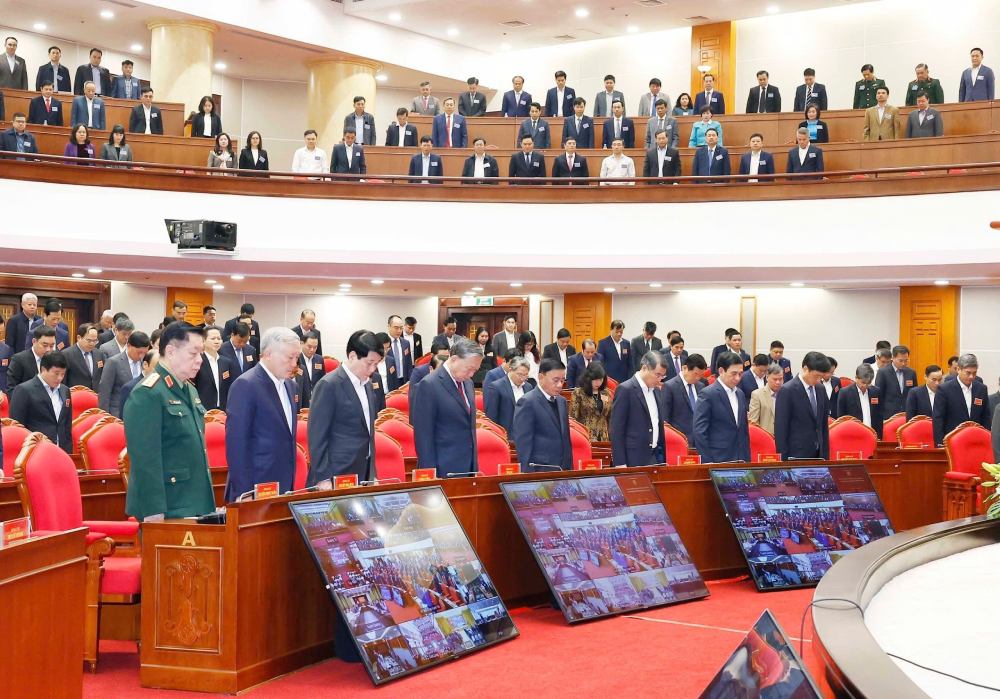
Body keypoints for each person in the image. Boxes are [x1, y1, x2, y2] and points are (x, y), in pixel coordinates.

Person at [123, 323, 216, 522]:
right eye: (194, 353)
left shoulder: (189, 389)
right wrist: (153, 511)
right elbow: (145, 460)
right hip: (168, 507)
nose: (200, 360)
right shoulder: (148, 393)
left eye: (201, 353)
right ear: (171, 351)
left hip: (194, 501)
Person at [224, 328, 300, 501]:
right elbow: (237, 445)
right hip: (254, 489)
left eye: (297, 358)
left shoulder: (291, 386)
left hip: (284, 485)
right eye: (290, 357)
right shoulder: (246, 385)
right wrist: (245, 493)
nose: (295, 364)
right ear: (268, 353)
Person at [307, 330, 383, 486]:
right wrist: (323, 478)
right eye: (369, 363)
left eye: (376, 364)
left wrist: (372, 473)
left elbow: (368, 432)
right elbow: (317, 436)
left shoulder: (368, 385)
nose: (373, 369)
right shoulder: (329, 385)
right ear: (353, 356)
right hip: (336, 474)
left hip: (364, 471)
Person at [411, 337, 484, 477]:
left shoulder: (467, 383)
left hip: (469, 466)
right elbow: (423, 436)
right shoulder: (429, 385)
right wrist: (429, 474)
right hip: (442, 468)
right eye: (469, 369)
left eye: (475, 370)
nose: (471, 374)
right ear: (455, 359)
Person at [512, 358, 573, 471]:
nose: (560, 385)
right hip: (541, 469)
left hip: (563, 470)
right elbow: (523, 445)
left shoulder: (561, 401)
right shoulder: (527, 402)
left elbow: (566, 439)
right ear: (541, 377)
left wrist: (569, 469)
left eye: (563, 380)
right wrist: (529, 476)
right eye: (555, 380)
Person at [610, 352, 668, 467]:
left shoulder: (656, 391)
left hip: (655, 457)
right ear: (645, 368)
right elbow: (616, 430)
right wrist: (620, 463)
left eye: (663, 376)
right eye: (657, 375)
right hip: (633, 459)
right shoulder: (625, 389)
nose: (660, 380)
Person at [694, 352, 750, 463]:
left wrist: (747, 458)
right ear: (721, 371)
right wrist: (707, 462)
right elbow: (700, 431)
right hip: (718, 458)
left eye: (740, 374)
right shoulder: (708, 394)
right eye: (733, 374)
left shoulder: (740, 394)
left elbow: (743, 430)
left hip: (740, 458)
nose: (738, 378)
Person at [10, 352, 72, 453]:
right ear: (43, 369)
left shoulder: (65, 390)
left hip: (62, 450)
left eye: (63, 374)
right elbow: (17, 427)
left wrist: (68, 453)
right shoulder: (24, 390)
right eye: (56, 373)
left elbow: (67, 425)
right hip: (35, 450)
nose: (60, 378)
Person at [775, 351, 831, 460]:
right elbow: (781, 429)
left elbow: (823, 425)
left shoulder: (820, 389)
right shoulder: (787, 390)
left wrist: (825, 455)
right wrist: (783, 460)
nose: (818, 380)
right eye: (816, 376)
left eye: (821, 377)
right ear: (805, 369)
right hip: (796, 455)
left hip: (819, 455)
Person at [933, 354, 991, 445]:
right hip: (952, 440)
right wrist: (940, 443)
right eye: (968, 373)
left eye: (974, 373)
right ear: (958, 370)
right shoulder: (944, 389)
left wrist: (987, 439)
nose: (972, 376)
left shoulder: (981, 389)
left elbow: (986, 417)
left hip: (976, 440)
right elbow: (938, 418)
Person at [98, 331, 151, 416]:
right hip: (118, 413)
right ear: (129, 346)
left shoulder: (145, 363)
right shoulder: (114, 362)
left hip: (140, 412)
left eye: (145, 353)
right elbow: (105, 392)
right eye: (139, 352)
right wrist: (104, 417)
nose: (142, 356)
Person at [661, 353, 707, 445]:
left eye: (700, 376)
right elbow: (665, 419)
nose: (698, 378)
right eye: (695, 374)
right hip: (679, 440)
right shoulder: (670, 386)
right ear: (685, 368)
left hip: (699, 441)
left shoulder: (701, 386)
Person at [484, 355, 531, 432]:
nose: (522, 378)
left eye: (525, 375)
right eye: (519, 374)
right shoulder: (496, 387)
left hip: (525, 432)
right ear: (510, 370)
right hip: (506, 434)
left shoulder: (528, 387)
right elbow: (491, 417)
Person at [6, 326, 57, 397]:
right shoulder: (19, 360)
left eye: (51, 346)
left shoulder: (55, 360)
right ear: (34, 341)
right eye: (45, 345)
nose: (48, 349)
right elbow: (11, 389)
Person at [193, 325, 234, 411]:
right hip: (202, 409)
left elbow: (229, 387)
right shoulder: (197, 361)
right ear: (203, 341)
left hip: (223, 409)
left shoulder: (226, 362)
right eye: (213, 339)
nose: (217, 341)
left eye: (219, 339)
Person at [569, 362, 612, 441]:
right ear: (588, 378)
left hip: (604, 438)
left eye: (600, 379)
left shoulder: (606, 393)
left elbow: (610, 417)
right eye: (595, 380)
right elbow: (573, 418)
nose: (598, 383)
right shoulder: (579, 393)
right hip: (586, 436)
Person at [838, 363, 883, 437]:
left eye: (868, 383)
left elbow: (879, 416)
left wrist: (879, 436)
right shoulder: (845, 393)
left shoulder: (876, 392)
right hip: (853, 434)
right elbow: (841, 418)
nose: (865, 386)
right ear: (856, 378)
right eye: (863, 382)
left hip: (872, 433)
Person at [874, 345, 916, 418]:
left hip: (907, 414)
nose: (903, 363)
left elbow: (914, 394)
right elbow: (878, 395)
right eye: (901, 360)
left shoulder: (911, 372)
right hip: (889, 415)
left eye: (906, 360)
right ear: (893, 358)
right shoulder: (883, 372)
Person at [61, 322, 105, 390]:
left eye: (95, 341)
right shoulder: (66, 354)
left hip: (95, 397)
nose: (92, 344)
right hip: (75, 397)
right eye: (89, 340)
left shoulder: (99, 354)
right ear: (79, 338)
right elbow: (62, 381)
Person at [749, 364, 783, 434]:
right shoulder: (757, 395)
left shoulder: (787, 394)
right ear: (767, 377)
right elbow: (753, 422)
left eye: (780, 379)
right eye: (775, 379)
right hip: (766, 438)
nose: (778, 382)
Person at [295, 331, 325, 409]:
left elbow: (323, 379)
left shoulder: (319, 359)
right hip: (302, 399)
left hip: (317, 399)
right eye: (309, 346)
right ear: (302, 343)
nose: (312, 350)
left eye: (315, 347)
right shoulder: (296, 359)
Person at [385, 315, 413, 389]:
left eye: (401, 328)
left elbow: (409, 364)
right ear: (388, 326)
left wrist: (410, 380)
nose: (399, 331)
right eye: (396, 327)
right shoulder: (383, 344)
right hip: (389, 381)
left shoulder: (405, 343)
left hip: (404, 381)